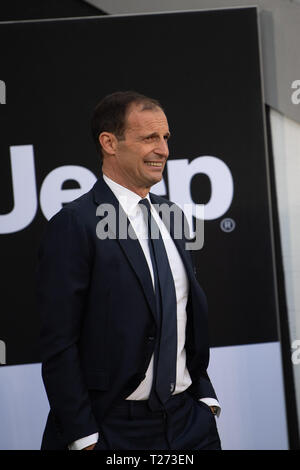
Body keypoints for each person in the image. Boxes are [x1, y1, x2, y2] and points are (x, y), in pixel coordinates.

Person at [37, 91, 221, 450]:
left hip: (189, 423)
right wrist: (84, 437)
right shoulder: (74, 224)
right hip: (115, 430)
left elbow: (181, 316)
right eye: (149, 137)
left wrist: (204, 397)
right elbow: (59, 341)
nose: (163, 150)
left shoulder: (172, 215)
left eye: (165, 138)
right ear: (109, 142)